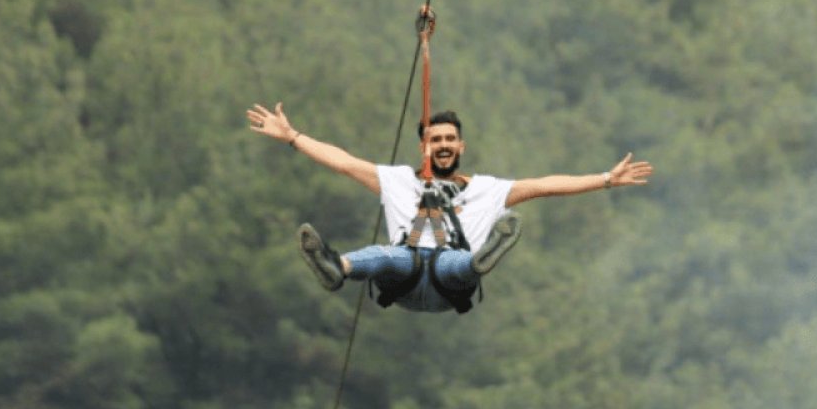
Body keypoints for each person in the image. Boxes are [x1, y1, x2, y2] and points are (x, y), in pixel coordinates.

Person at [247, 101, 653, 313]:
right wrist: (293, 136)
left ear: (461, 147)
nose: (442, 145)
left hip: (448, 285)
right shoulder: (398, 181)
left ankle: (480, 260)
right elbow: (344, 161)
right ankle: (339, 268)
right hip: (403, 280)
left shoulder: (489, 190)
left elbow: (545, 185)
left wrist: (604, 179)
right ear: (424, 147)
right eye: (434, 139)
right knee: (394, 255)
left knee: (451, 262)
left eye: (449, 139)